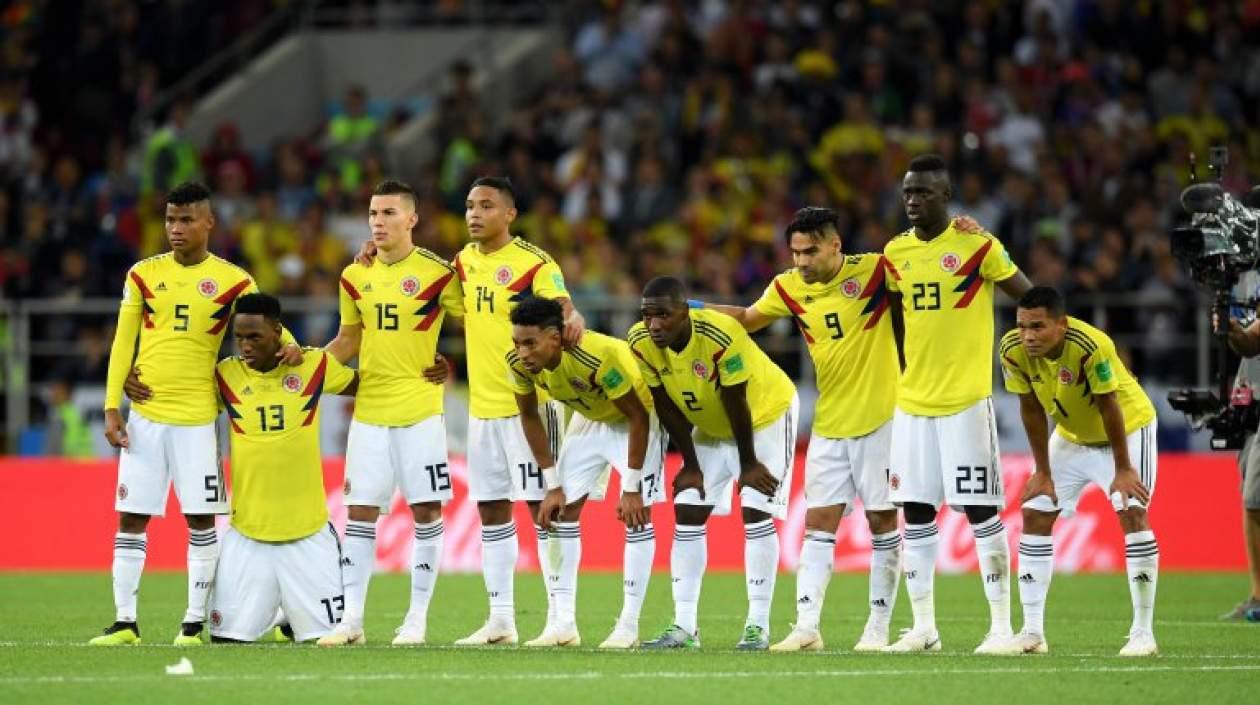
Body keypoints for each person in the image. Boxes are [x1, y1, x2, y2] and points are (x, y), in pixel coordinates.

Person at [357, 176, 585, 644]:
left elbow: (562, 304)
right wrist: (372, 254)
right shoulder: (461, 263)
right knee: (492, 510)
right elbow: (424, 296)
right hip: (483, 409)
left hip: (531, 407)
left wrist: (572, 314)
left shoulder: (533, 263)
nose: (474, 214)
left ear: (509, 214)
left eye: (486, 205)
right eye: (468, 206)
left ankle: (562, 620)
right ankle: (501, 619)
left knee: (544, 510)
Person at [94, 182, 300, 646]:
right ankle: (125, 622)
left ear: (209, 223)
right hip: (145, 417)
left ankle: (192, 623)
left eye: (186, 220)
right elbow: (123, 341)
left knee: (202, 521)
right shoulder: (143, 274)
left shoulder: (234, 281)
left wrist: (291, 348)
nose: (176, 229)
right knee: (131, 516)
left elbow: (266, 326)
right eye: (170, 220)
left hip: (198, 420)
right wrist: (113, 405)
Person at [701, 207, 902, 651]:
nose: (802, 262)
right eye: (795, 253)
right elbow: (748, 319)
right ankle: (807, 627)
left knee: (882, 520)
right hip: (830, 421)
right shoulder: (788, 287)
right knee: (818, 524)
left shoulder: (875, 272)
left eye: (810, 252)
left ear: (835, 245)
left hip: (883, 417)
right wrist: (691, 310)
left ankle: (878, 627)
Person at [881, 154, 1033, 654]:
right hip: (912, 403)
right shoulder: (895, 253)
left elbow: (1030, 299)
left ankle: (1000, 628)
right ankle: (924, 627)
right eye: (907, 192)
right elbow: (900, 318)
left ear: (945, 197)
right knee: (918, 512)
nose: (912, 201)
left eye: (922, 192)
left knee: (981, 509)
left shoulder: (976, 245)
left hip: (965, 401)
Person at [316, 180, 462, 647]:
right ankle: (352, 621)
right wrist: (307, 367)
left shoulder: (440, 274)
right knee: (359, 513)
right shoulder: (354, 275)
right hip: (370, 410)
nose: (378, 222)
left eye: (389, 214)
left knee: (426, 510)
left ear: (412, 219)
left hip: (420, 409)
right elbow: (347, 341)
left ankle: (416, 620)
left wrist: (453, 363)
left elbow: (477, 323)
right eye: (374, 214)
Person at [628, 276, 799, 650]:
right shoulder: (640, 342)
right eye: (647, 315)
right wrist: (689, 463)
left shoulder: (721, 334)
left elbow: (737, 401)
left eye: (663, 315)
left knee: (755, 508)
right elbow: (664, 403)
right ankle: (685, 627)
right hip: (708, 422)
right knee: (687, 508)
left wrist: (748, 463)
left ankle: (758, 626)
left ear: (685, 313)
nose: (654, 324)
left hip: (764, 416)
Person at [994, 286, 1159, 656]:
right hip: (1071, 436)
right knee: (1036, 511)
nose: (1028, 335)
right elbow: (1031, 408)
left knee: (1132, 512)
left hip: (1127, 432)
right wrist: (1042, 470)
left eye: (1038, 326)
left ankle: (1143, 634)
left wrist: (1122, 469)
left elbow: (1109, 405)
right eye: (1022, 326)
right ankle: (1032, 632)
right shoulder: (1012, 350)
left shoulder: (1090, 345)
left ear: (1061, 324)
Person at [508, 296, 665, 649]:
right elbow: (530, 416)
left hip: (638, 418)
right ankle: (562, 624)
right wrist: (552, 485)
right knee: (561, 513)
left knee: (638, 516)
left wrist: (632, 486)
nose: (523, 353)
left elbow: (638, 416)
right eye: (517, 343)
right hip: (590, 418)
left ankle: (628, 626)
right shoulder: (518, 364)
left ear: (555, 337)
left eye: (530, 343)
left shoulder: (596, 356)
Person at [209, 293, 358, 643]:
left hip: (308, 535)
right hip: (247, 535)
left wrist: (428, 376)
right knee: (226, 641)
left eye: (255, 337)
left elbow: (372, 387)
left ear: (278, 332)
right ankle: (284, 612)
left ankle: (291, 615)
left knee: (327, 641)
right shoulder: (224, 376)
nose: (245, 345)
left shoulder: (312, 366)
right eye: (240, 337)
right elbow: (178, 397)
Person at [1217, 273, 1260, 621]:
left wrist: (1235, 332)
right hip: (1252, 400)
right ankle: (1258, 595)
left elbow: (1251, 342)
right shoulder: (1244, 278)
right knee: (1251, 502)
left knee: (1254, 500)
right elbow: (1245, 345)